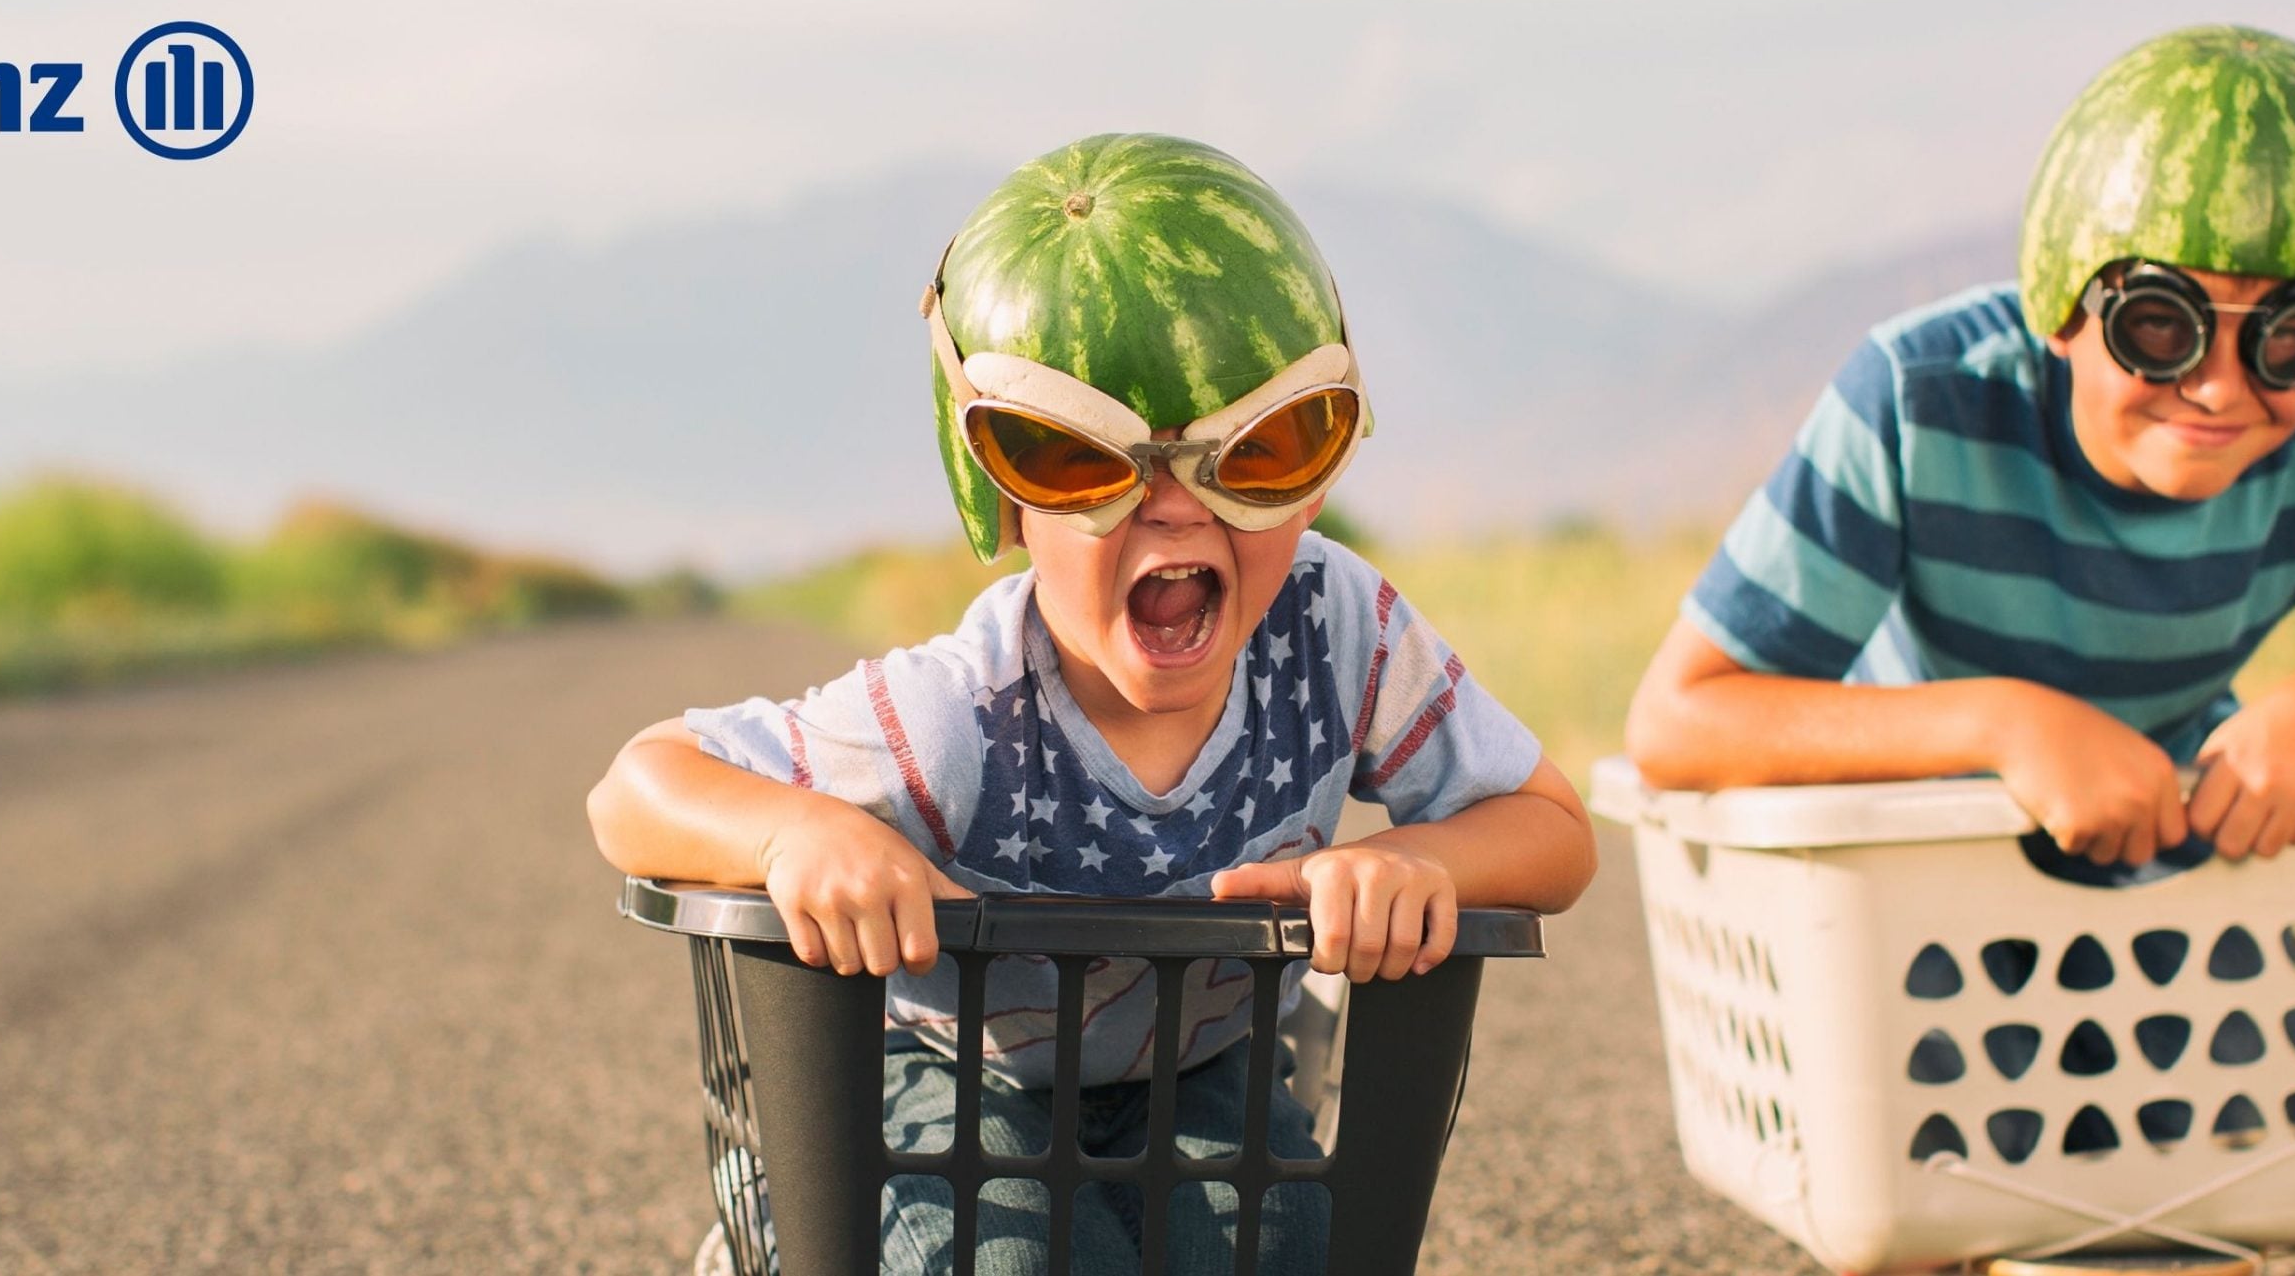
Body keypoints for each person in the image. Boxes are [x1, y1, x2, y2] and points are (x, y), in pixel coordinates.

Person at [587, 131, 1595, 1275]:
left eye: (1253, 453)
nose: (1173, 512)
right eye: (1085, 464)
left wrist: (1425, 862)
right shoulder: (955, 715)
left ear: (1317, 477)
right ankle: (772, 1227)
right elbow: (635, 785)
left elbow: (1557, 829)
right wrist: (794, 831)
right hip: (945, 1074)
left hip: (1198, 1067)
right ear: (1002, 499)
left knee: (1293, 1250)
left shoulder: (1337, 633)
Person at [1626, 25, 2295, 879]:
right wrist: (2004, 725)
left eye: (2289, 335)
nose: (2220, 387)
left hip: (2175, 887)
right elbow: (1676, 721)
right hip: (1907, 874)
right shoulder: (1921, 402)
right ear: (2059, 305)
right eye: (2159, 323)